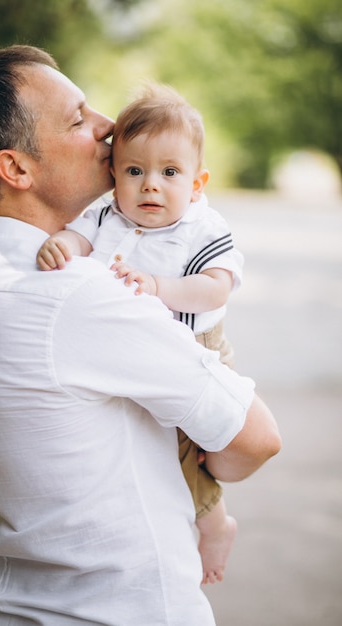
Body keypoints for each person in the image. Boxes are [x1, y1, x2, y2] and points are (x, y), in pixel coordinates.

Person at [0, 45, 281, 626]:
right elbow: (256, 440)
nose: (109, 127)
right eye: (78, 118)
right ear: (16, 169)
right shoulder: (77, 292)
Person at [37, 84, 241, 584]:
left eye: (170, 173)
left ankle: (214, 523)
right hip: (133, 353)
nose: (151, 186)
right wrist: (59, 244)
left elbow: (216, 289)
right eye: (135, 171)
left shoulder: (201, 227)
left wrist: (160, 287)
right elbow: (77, 237)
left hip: (195, 349)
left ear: (196, 183)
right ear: (113, 176)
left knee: (184, 453)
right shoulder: (105, 215)